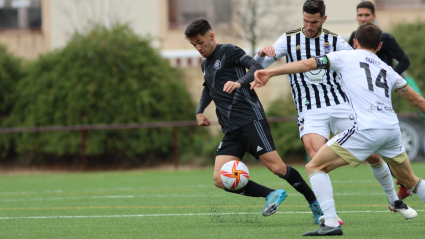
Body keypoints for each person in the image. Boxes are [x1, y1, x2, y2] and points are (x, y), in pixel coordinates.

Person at [252, 22, 421, 237]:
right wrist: (262, 61)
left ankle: (335, 221)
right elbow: (418, 101)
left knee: (317, 166)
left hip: (349, 113)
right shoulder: (386, 68)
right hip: (373, 123)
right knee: (412, 181)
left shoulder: (343, 52)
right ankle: (327, 213)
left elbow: (305, 65)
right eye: (306, 20)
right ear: (379, 46)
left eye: (314, 21)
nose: (310, 25)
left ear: (354, 42)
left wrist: (271, 72)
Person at [184, 18, 324, 223]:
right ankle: (271, 194)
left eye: (200, 42)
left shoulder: (229, 51)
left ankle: (315, 204)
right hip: (231, 129)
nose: (198, 47)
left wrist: (239, 82)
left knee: (278, 168)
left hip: (250, 119)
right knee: (219, 179)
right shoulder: (205, 65)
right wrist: (199, 111)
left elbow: (255, 66)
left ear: (211, 36)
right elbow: (208, 87)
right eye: (193, 44)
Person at [348, 0, 412, 200]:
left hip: (381, 99)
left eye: (367, 15)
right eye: (360, 15)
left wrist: (389, 79)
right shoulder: (353, 38)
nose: (363, 18)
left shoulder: (385, 38)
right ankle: (404, 181)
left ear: (374, 17)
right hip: (360, 98)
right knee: (378, 145)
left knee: (381, 142)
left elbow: (404, 60)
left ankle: (406, 181)